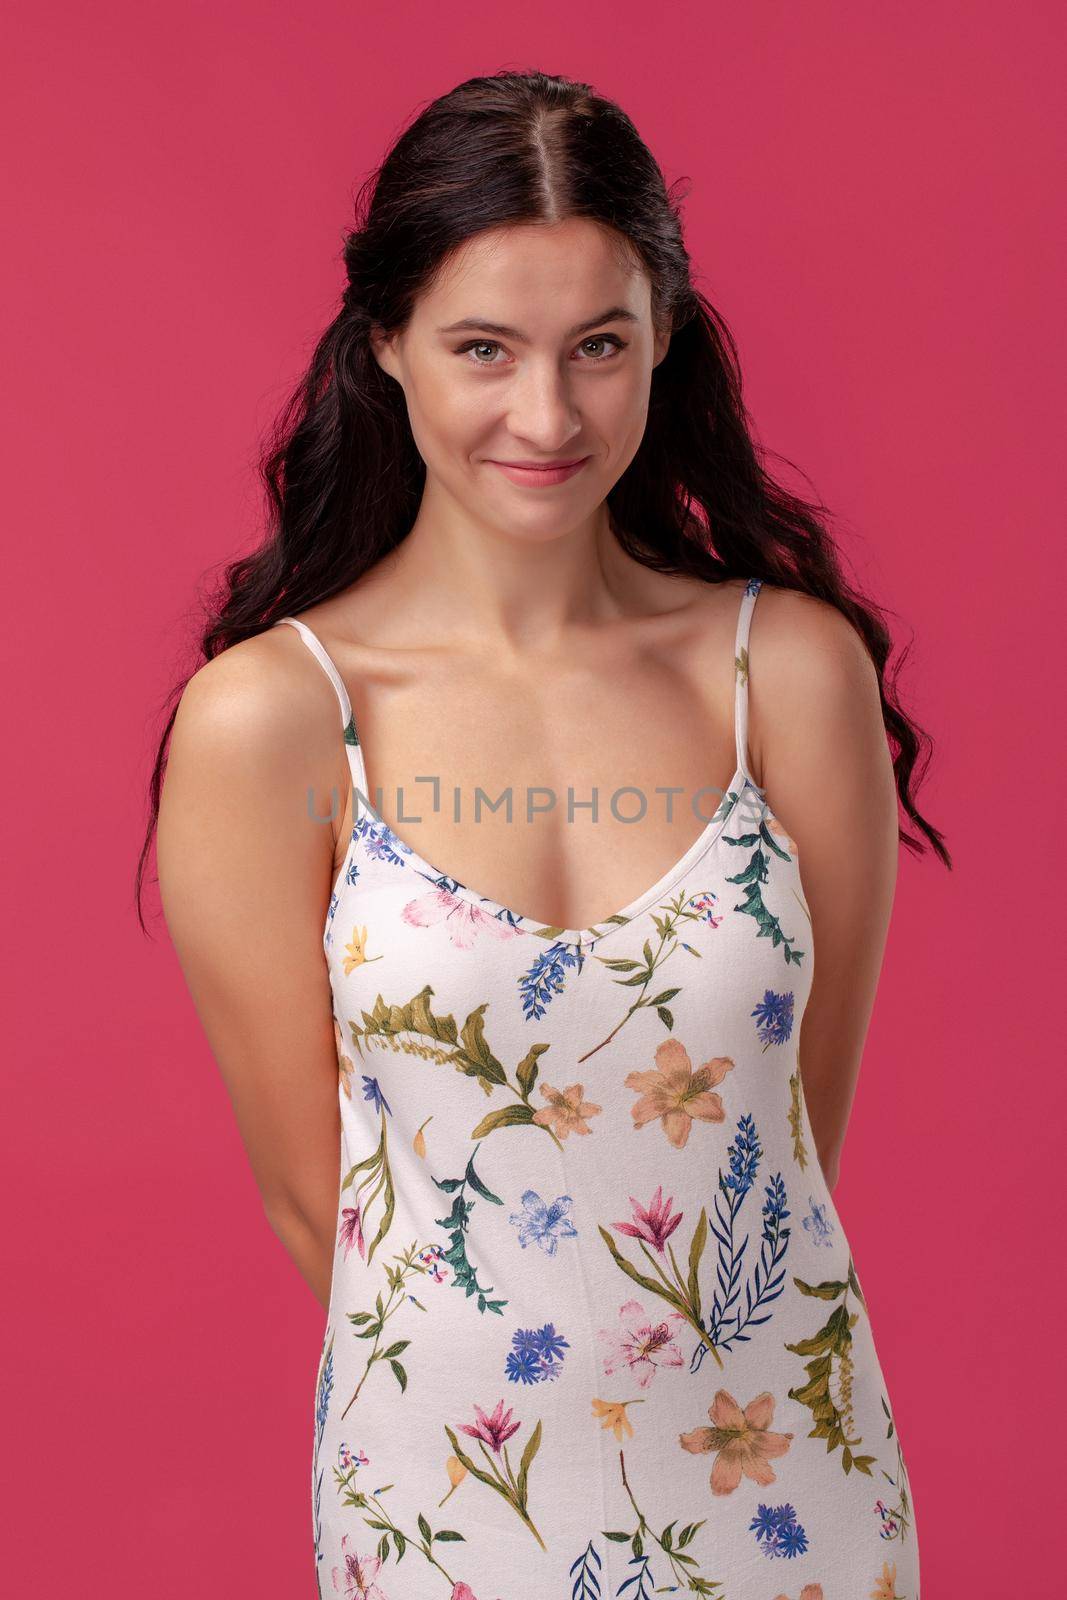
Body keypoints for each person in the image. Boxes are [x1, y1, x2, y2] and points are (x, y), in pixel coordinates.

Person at [143, 69, 943, 1600]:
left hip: (785, 1476)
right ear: (385, 346)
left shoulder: (788, 672)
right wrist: (516, 1407)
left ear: (664, 346)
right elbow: (316, 1199)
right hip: (452, 1483)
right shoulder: (275, 721)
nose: (548, 414)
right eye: (484, 349)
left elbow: (795, 1131)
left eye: (600, 347)